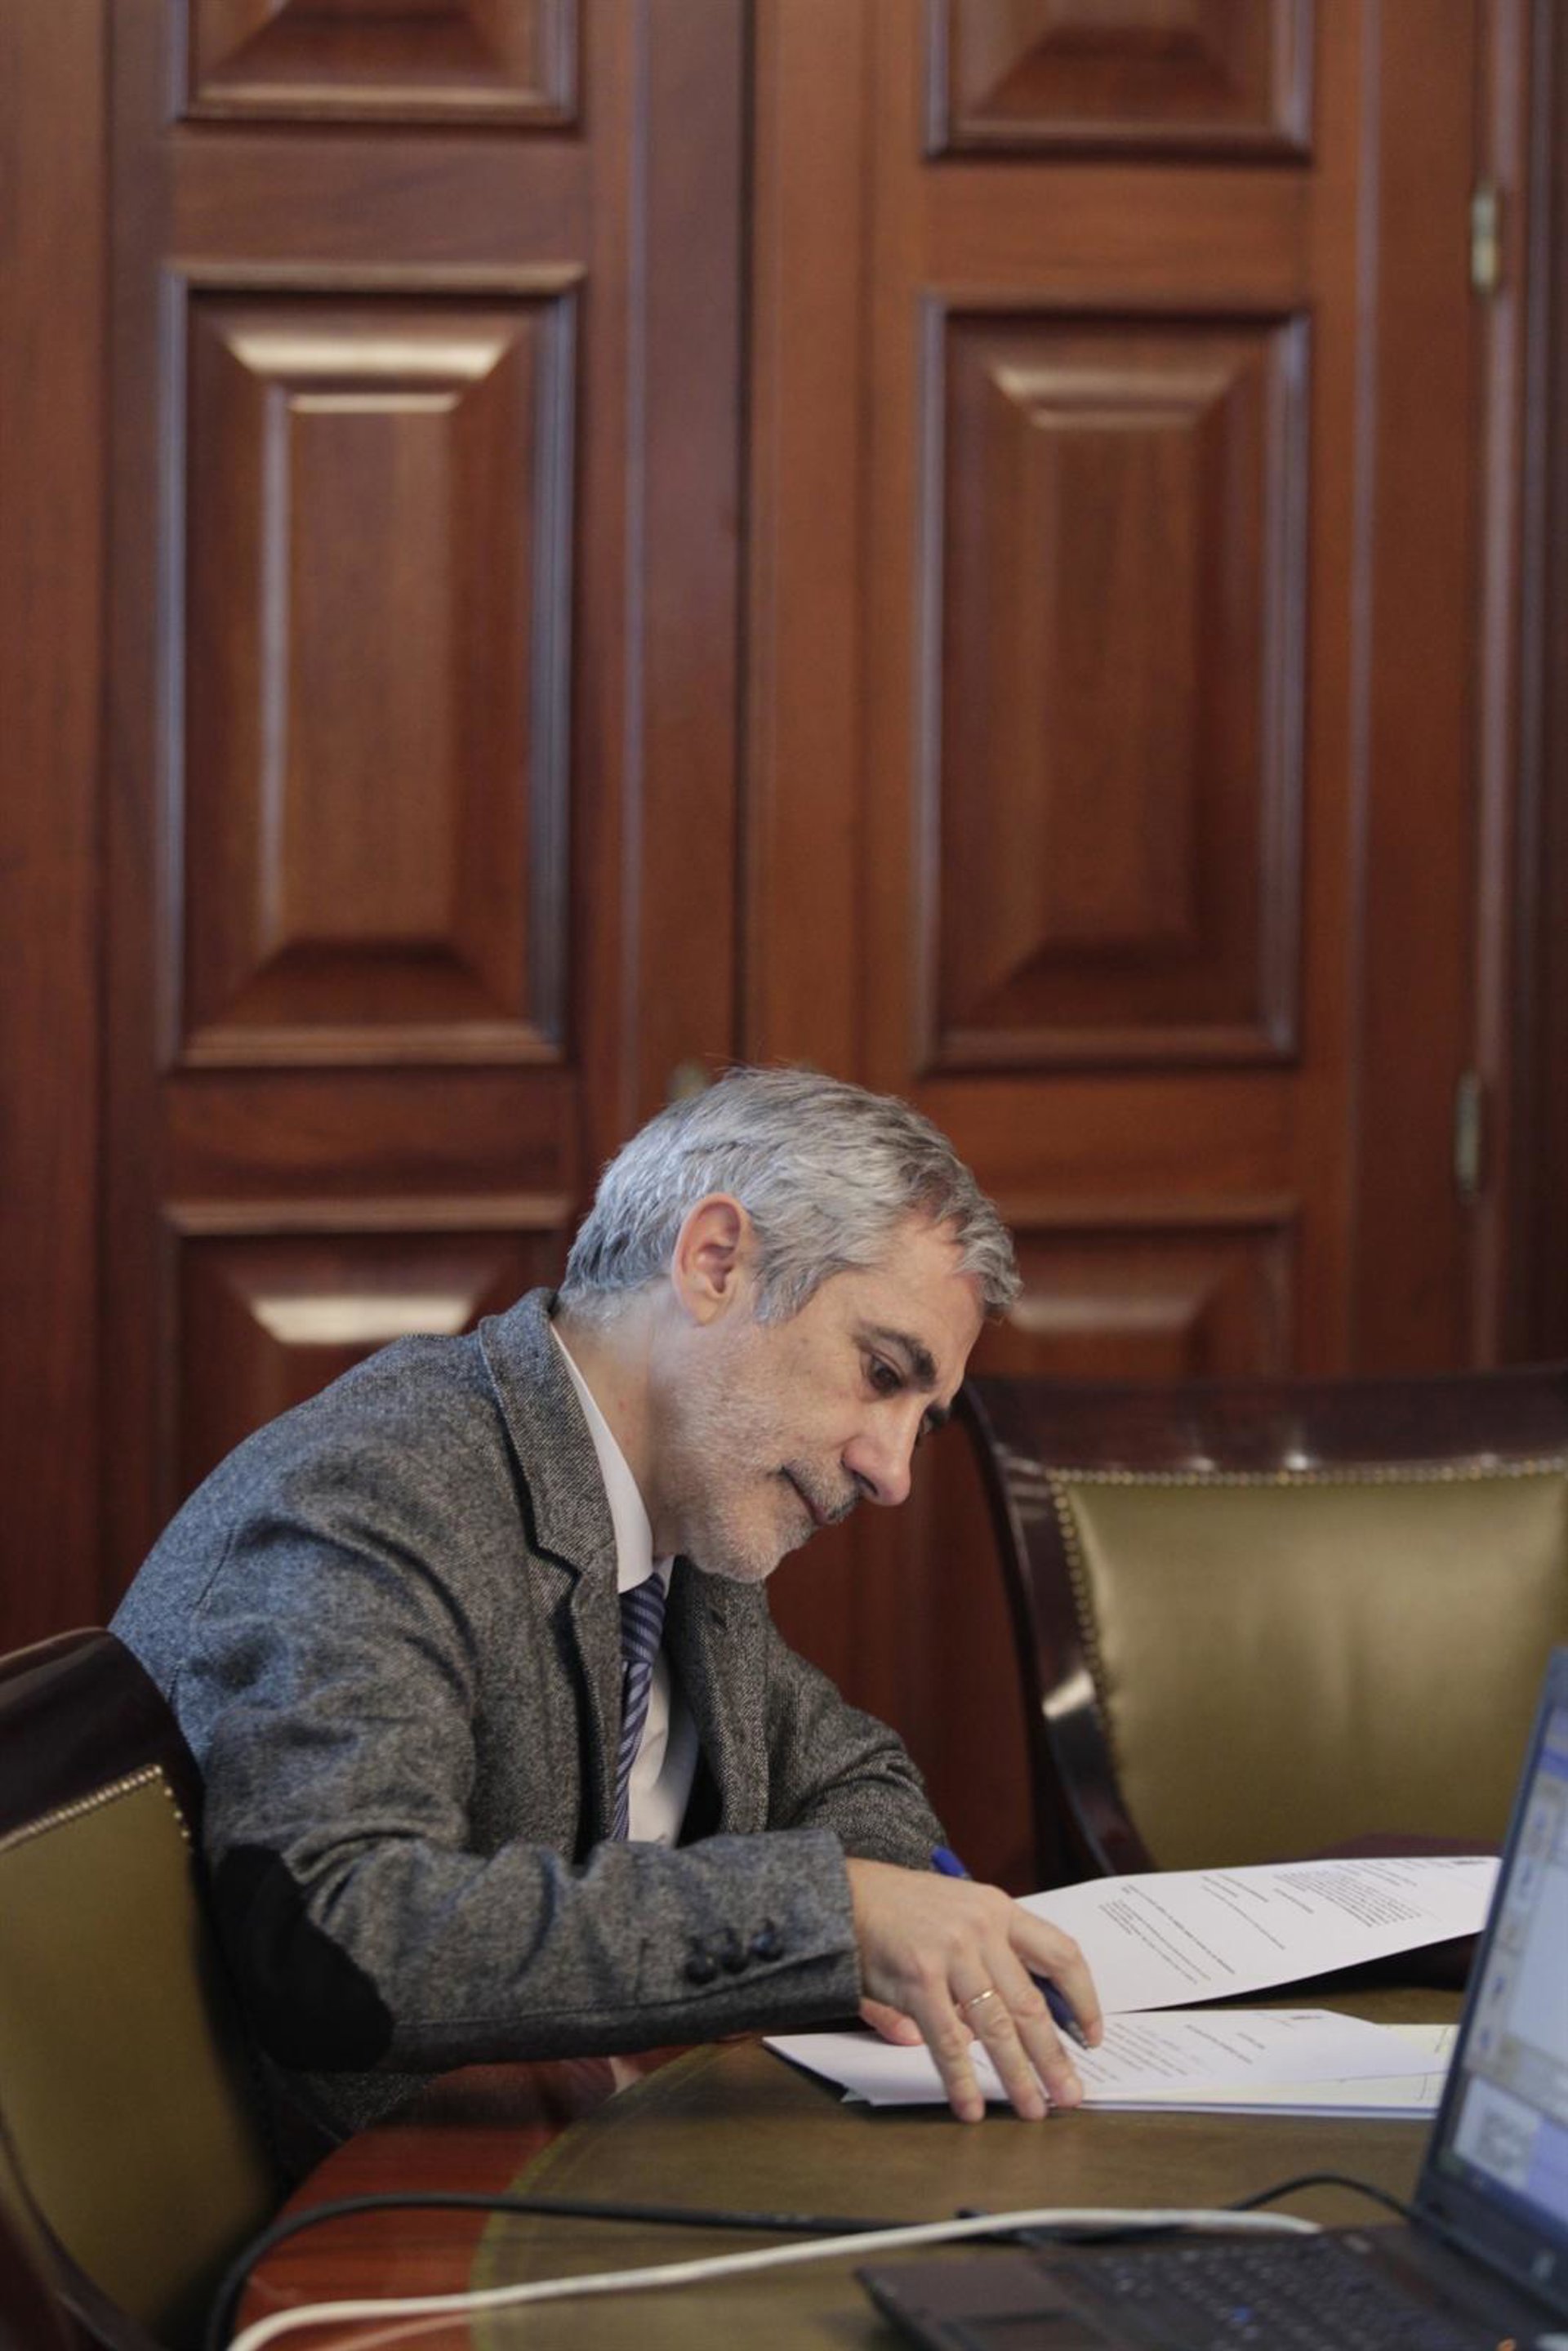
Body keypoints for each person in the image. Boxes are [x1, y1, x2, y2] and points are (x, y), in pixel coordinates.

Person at [113, 1067, 1100, 2153]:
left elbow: (840, 1770)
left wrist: (907, 1912)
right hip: (365, 2208)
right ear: (715, 1261)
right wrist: (836, 1916)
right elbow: (346, 1931)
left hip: (569, 2154)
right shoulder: (382, 1488)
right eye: (879, 1373)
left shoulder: (687, 1509)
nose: (893, 1471)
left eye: (925, 1419)